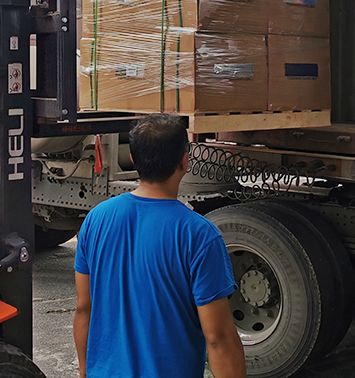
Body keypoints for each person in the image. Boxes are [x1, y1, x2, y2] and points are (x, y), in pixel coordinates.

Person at [73, 113, 245, 378]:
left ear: (133, 159)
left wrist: (85, 371)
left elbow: (84, 308)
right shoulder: (198, 234)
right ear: (185, 161)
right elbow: (218, 338)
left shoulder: (96, 219)